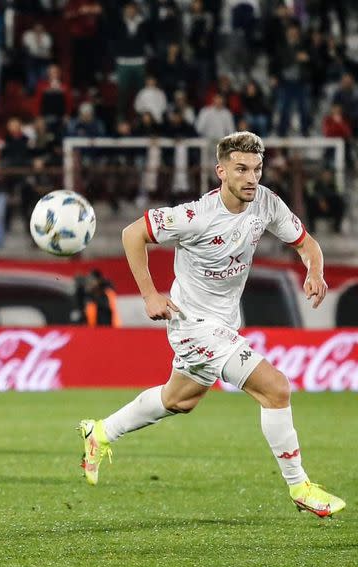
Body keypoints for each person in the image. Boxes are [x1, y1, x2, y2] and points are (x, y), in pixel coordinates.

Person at [77, 131, 345, 519]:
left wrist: (315, 272)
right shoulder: (194, 217)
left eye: (256, 169)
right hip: (191, 324)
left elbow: (307, 244)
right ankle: (300, 485)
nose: (251, 177)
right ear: (221, 171)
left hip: (223, 324)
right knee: (276, 388)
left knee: (178, 400)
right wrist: (150, 294)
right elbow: (131, 233)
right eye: (241, 169)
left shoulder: (266, 203)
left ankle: (99, 432)